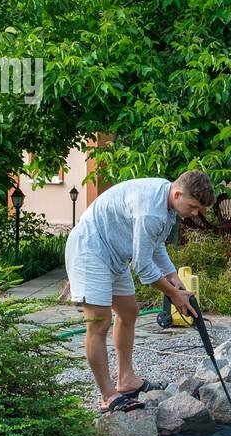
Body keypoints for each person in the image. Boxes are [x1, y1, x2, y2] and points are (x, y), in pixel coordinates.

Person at [64, 170, 216, 412]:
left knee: (129, 311)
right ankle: (107, 396)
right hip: (90, 249)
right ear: (178, 194)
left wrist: (174, 278)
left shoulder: (166, 203)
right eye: (194, 206)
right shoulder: (152, 211)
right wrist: (173, 295)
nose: (196, 213)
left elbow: (155, 246)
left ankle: (126, 380)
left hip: (114, 253)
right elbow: (143, 267)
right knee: (99, 323)